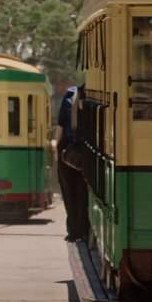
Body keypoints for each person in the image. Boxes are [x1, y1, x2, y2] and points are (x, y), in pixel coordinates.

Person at [55, 85, 89, 242]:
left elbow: (61, 125)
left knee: (69, 193)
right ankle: (84, 230)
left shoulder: (71, 92)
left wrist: (57, 150)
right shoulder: (95, 92)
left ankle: (74, 231)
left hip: (67, 150)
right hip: (88, 150)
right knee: (84, 192)